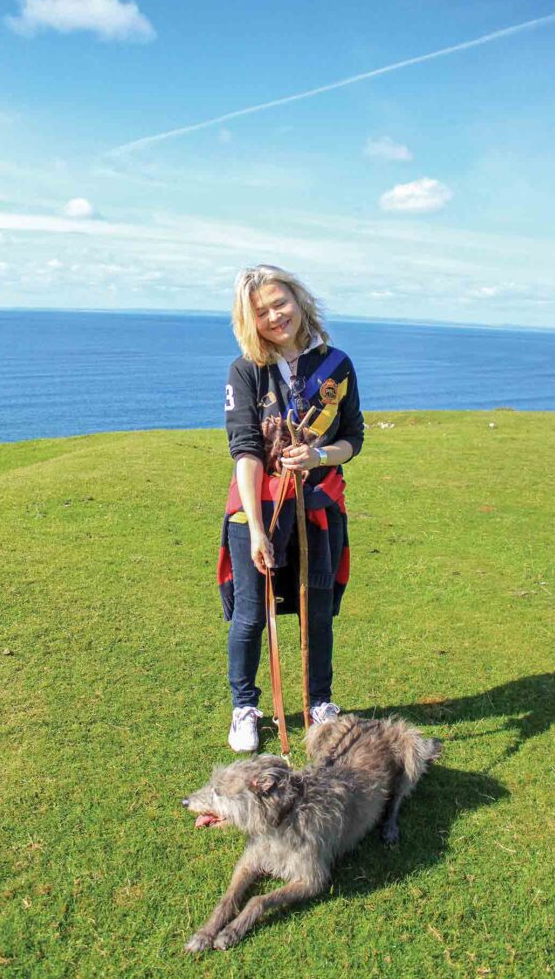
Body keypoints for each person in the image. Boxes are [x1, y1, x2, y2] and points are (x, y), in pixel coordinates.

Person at [217, 265, 365, 752]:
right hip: (258, 508)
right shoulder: (246, 370)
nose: (274, 316)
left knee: (316, 612)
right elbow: (245, 451)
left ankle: (320, 703)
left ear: (299, 300)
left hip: (319, 506)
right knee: (251, 615)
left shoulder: (337, 365)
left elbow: (352, 439)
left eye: (280, 303)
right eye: (261, 312)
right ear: (249, 320)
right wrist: (258, 530)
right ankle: (245, 706)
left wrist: (319, 456)